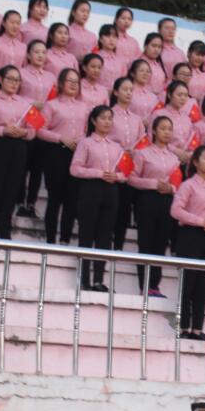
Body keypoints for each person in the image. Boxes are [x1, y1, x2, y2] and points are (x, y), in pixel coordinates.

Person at [171, 145, 205, 340]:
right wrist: (201, 221)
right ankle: (184, 327)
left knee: (204, 283)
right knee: (188, 281)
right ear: (195, 162)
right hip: (190, 235)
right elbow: (176, 210)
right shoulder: (188, 185)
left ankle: (197, 328)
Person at [0, 65, 36, 238]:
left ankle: (5, 231)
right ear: (0, 79)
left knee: (12, 189)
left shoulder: (26, 104)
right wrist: (3, 130)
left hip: (19, 147)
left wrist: (23, 132)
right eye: (10, 79)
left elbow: (33, 130)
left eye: (17, 80)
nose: (14, 83)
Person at [71, 105, 125, 290]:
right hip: (90, 189)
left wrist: (116, 176)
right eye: (103, 118)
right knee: (87, 233)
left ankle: (99, 280)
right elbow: (75, 169)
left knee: (105, 235)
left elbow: (126, 173)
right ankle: (84, 279)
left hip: (111, 190)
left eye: (110, 118)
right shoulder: (85, 143)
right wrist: (98, 173)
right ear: (94, 121)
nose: (107, 122)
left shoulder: (117, 147)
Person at [37, 67, 90, 244]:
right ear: (60, 83)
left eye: (77, 82)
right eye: (70, 81)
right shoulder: (51, 105)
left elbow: (88, 132)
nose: (74, 85)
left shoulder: (84, 107)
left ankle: (65, 239)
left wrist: (80, 140)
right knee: (55, 198)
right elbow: (40, 130)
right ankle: (51, 239)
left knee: (72, 199)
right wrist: (61, 138)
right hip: (56, 153)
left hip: (76, 154)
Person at [128, 115, 179, 296]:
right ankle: (144, 284)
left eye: (169, 129)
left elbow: (178, 183)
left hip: (166, 201)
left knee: (161, 243)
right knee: (146, 242)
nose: (167, 132)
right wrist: (153, 184)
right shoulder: (143, 154)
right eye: (163, 128)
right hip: (147, 200)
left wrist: (171, 188)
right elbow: (131, 178)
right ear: (154, 131)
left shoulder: (174, 158)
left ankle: (155, 285)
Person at [16, 40, 55, 219]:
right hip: (24, 121)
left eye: (43, 52)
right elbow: (14, 96)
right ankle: (19, 202)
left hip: (42, 123)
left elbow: (54, 100)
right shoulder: (21, 73)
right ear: (29, 55)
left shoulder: (51, 77)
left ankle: (31, 203)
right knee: (22, 165)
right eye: (36, 52)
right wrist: (32, 103)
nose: (40, 55)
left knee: (37, 168)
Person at [108, 76, 145, 252]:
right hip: (111, 165)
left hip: (129, 167)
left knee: (124, 209)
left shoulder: (137, 119)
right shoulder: (109, 114)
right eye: (125, 89)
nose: (129, 93)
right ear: (116, 92)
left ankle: (118, 246)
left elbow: (143, 143)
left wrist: (134, 152)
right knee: (111, 208)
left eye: (131, 90)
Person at [155, 81, 195, 162]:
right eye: (179, 95)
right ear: (169, 95)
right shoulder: (158, 114)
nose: (183, 98)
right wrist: (176, 151)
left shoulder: (187, 118)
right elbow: (153, 139)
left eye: (186, 95)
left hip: (185, 159)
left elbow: (191, 139)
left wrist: (189, 153)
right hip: (164, 159)